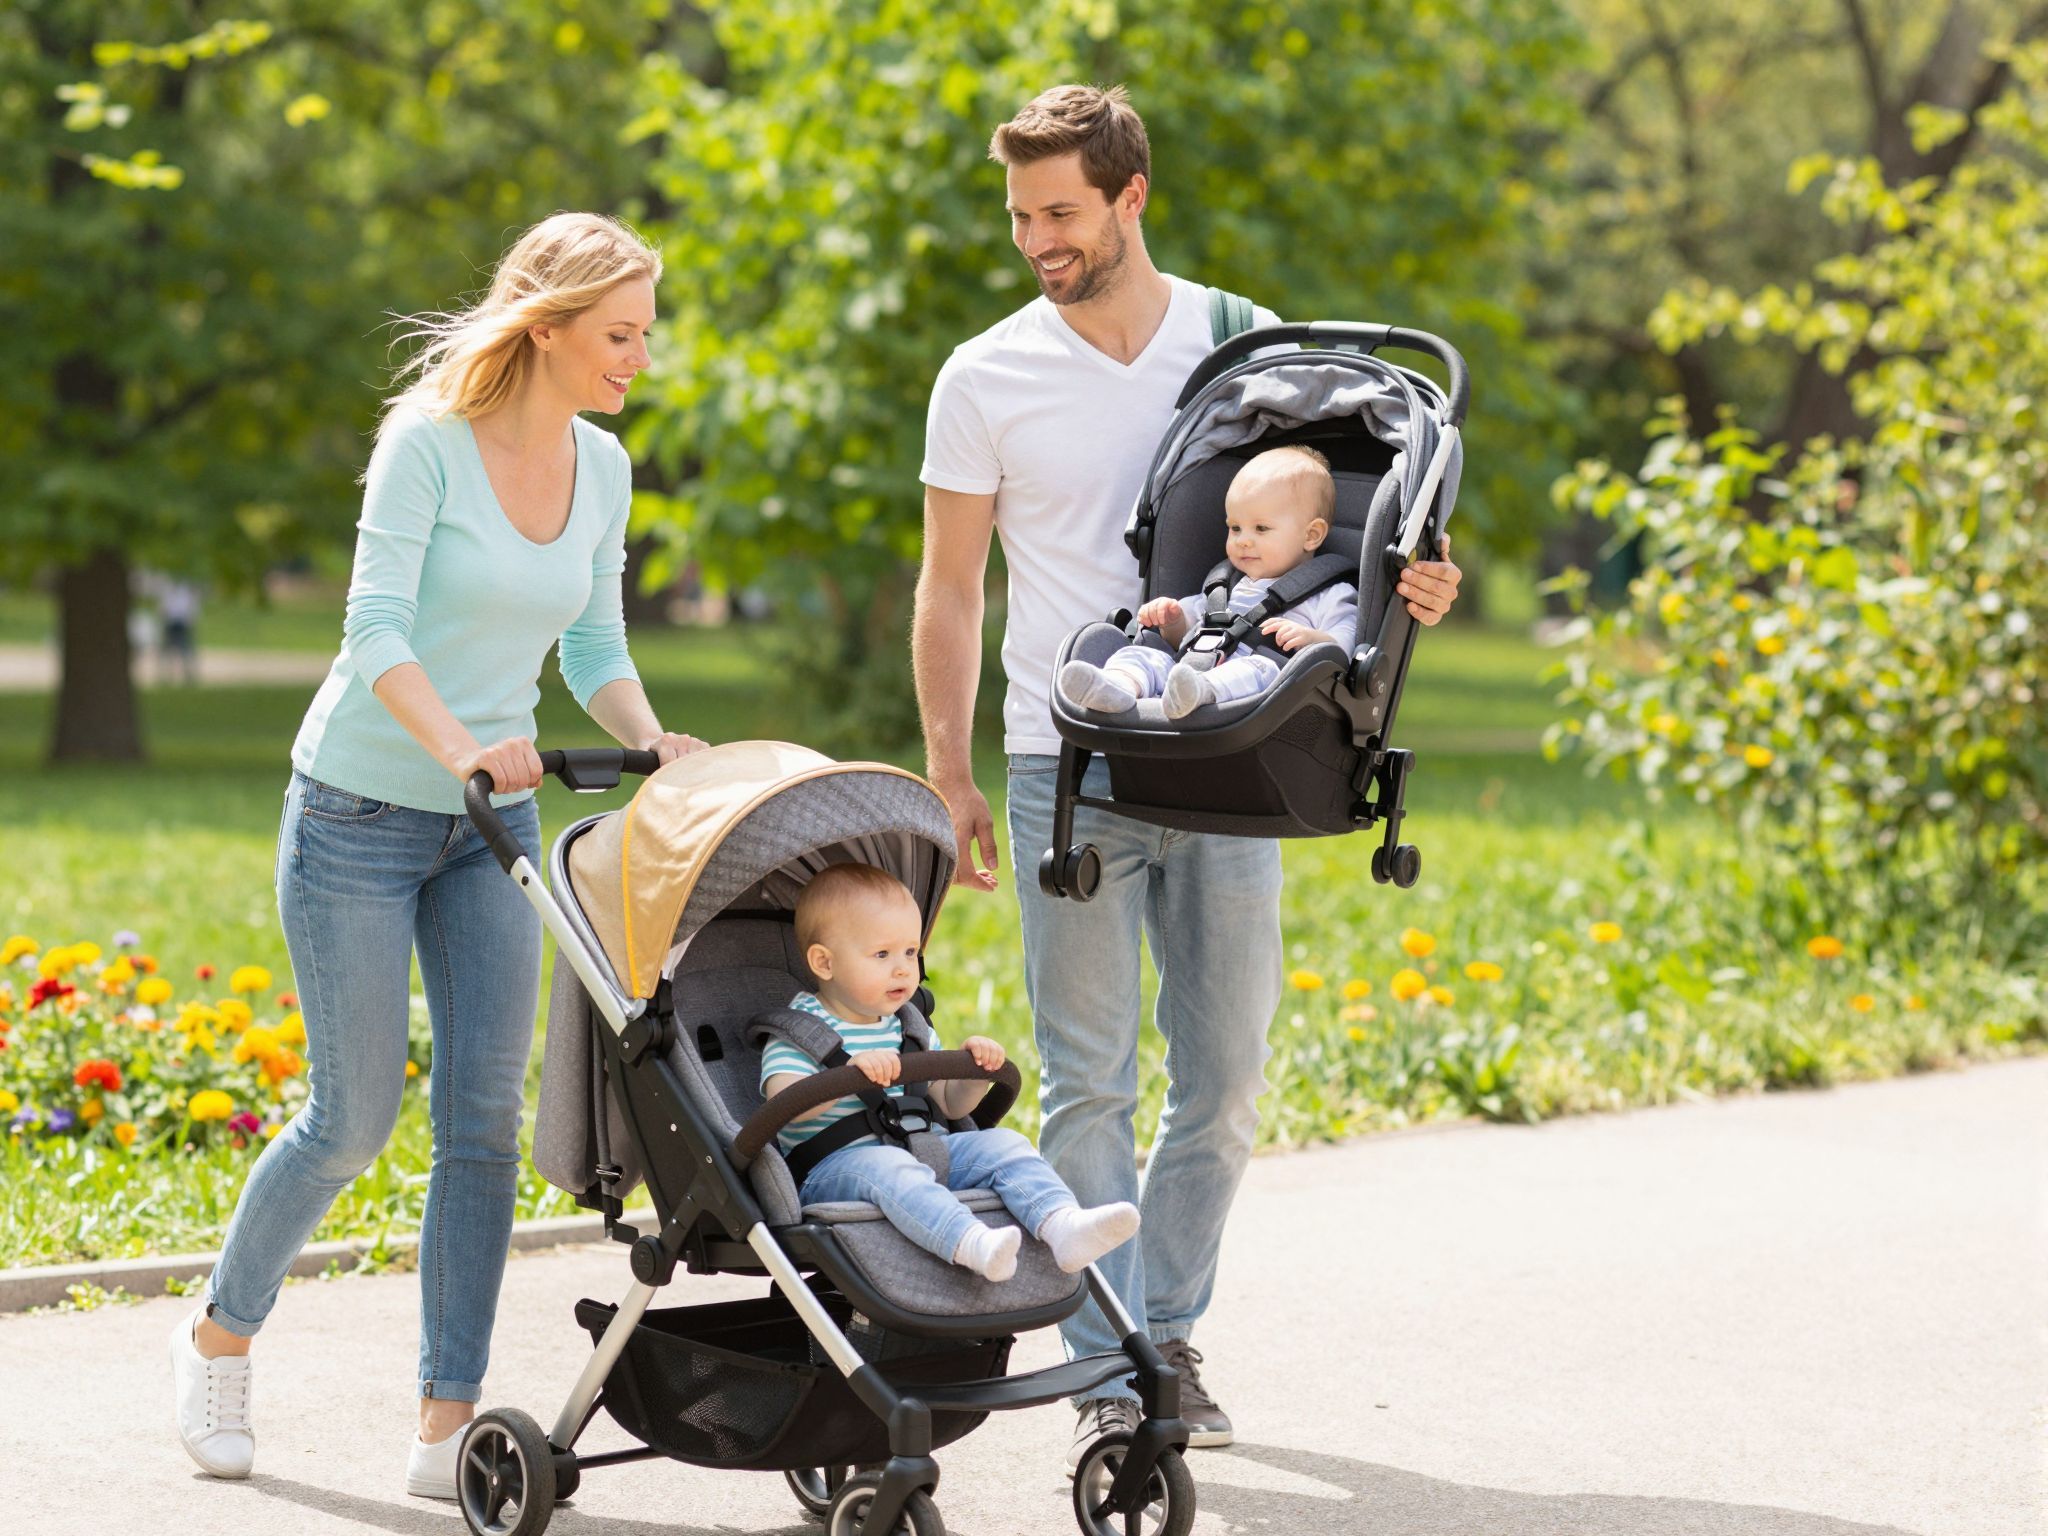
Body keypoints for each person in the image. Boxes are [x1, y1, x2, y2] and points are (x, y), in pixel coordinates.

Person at [911, 84, 1464, 1470]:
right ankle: (1112, 1369)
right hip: (1068, 761)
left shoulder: (1240, 346)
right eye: (1018, 215)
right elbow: (949, 590)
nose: (1036, 239)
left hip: (1232, 759)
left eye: (1059, 212)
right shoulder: (983, 375)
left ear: (1130, 196)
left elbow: (1348, 528)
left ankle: (1170, 1332)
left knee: (1220, 1080)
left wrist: (1420, 585)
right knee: (1089, 1081)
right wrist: (950, 773)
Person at [167, 211, 709, 1500]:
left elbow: (593, 646)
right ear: (549, 327)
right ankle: (218, 1339)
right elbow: (373, 632)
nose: (639, 359)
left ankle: (443, 1419)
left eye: (644, 333)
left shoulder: (603, 467)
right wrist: (466, 746)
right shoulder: (425, 443)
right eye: (619, 334)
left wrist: (651, 740)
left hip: (489, 832)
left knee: (480, 1123)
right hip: (356, 810)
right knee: (349, 1120)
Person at [760, 863, 1141, 1280]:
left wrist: (971, 1076)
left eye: (910, 952)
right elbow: (785, 1103)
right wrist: (847, 1076)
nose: (903, 968)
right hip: (837, 1169)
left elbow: (947, 1103)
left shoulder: (908, 1026)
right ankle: (971, 1242)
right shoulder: (802, 1030)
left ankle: (1062, 1224)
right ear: (824, 962)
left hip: (922, 1150)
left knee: (1005, 1144)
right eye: (882, 955)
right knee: (890, 1168)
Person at [1059, 444, 1356, 718]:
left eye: (1261, 528)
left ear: (1311, 535)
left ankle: (1200, 691)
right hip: (1184, 671)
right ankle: (1117, 686)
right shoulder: (1222, 588)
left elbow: (1347, 641)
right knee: (1143, 655)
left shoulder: (1330, 594)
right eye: (1235, 528)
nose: (1243, 540)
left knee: (1257, 670)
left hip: (1263, 695)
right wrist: (1171, 619)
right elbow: (1183, 635)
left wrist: (1314, 641)